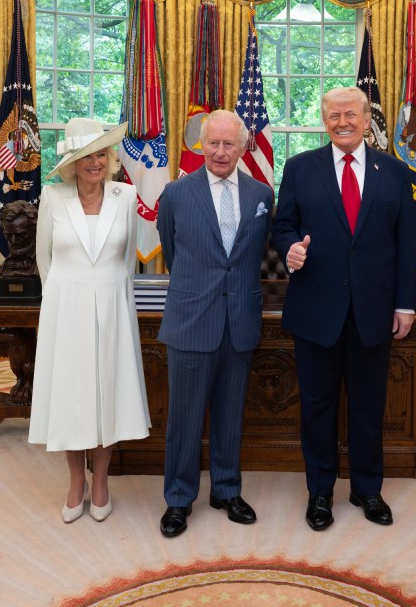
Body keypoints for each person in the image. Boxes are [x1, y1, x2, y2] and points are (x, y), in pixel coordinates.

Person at [273, 86, 416, 532]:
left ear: (366, 116)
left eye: (350, 114)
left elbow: (407, 242)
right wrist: (291, 249)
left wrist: (405, 305)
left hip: (374, 311)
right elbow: (283, 227)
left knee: (369, 405)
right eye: (333, 115)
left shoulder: (395, 171)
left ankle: (367, 489)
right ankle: (320, 492)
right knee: (316, 407)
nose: (342, 122)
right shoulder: (299, 168)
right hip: (317, 308)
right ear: (324, 119)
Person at [155, 110, 274, 538]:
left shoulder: (262, 193)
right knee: (184, 419)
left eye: (230, 144)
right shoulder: (175, 194)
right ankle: (179, 499)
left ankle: (226, 489)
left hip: (239, 319)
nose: (221, 152)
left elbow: (255, 254)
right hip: (191, 320)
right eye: (214, 143)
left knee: (230, 414)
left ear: (244, 147)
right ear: (200, 144)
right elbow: (172, 250)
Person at [28, 118, 151, 524]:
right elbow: (44, 262)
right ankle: (74, 481)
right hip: (66, 311)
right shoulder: (52, 196)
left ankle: (100, 482)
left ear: (111, 159)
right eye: (85, 156)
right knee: (71, 398)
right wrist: (65, 299)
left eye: (100, 154)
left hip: (113, 309)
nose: (94, 162)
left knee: (107, 395)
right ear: (71, 164)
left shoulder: (126, 196)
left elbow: (128, 258)